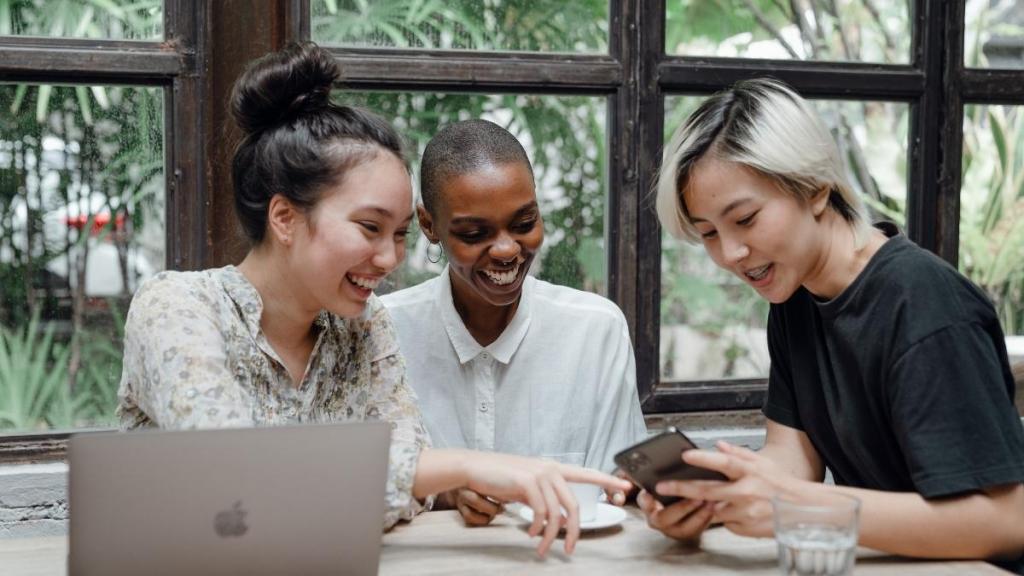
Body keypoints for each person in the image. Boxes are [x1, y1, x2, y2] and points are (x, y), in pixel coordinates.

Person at [116, 42, 630, 558]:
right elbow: (234, 482)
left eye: (401, 233)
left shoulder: (363, 326)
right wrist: (466, 466)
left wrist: (407, 481)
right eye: (369, 227)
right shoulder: (178, 307)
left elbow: (407, 490)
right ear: (285, 218)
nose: (389, 259)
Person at [649, 78, 1024, 571]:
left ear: (816, 188)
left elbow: (1008, 521)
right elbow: (793, 456)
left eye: (745, 219)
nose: (731, 254)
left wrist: (797, 506)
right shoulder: (794, 296)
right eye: (708, 234)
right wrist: (717, 498)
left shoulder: (925, 305)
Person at [381, 119, 648, 527]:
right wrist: (447, 489)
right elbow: (354, 486)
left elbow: (619, 490)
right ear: (429, 225)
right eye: (474, 233)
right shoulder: (384, 333)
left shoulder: (595, 331)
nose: (507, 250)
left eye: (524, 224)